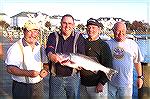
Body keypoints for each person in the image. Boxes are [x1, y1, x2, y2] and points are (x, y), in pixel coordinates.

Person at [5, 20, 49, 99]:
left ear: (38, 33)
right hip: (21, 87)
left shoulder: (40, 47)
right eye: (29, 31)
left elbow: (45, 64)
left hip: (39, 86)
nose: (33, 34)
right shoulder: (15, 48)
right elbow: (10, 69)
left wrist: (45, 70)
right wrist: (28, 73)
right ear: (24, 31)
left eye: (35, 31)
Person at [45, 14, 85, 99]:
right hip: (56, 77)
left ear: (73, 25)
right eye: (64, 23)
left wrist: (81, 65)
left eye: (70, 23)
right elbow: (49, 49)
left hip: (73, 77)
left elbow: (81, 54)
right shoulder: (53, 36)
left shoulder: (78, 37)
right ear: (61, 24)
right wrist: (51, 55)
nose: (67, 26)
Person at [106, 22, 143, 99]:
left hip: (126, 85)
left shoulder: (132, 44)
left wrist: (140, 77)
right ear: (113, 31)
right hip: (110, 84)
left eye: (123, 31)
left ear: (126, 31)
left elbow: (137, 61)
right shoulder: (107, 44)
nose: (121, 33)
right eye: (118, 31)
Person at [80, 18, 113, 99]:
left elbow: (108, 65)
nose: (91, 29)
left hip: (97, 86)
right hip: (82, 85)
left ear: (99, 29)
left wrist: (102, 83)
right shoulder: (82, 42)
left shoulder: (103, 45)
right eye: (89, 27)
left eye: (93, 27)